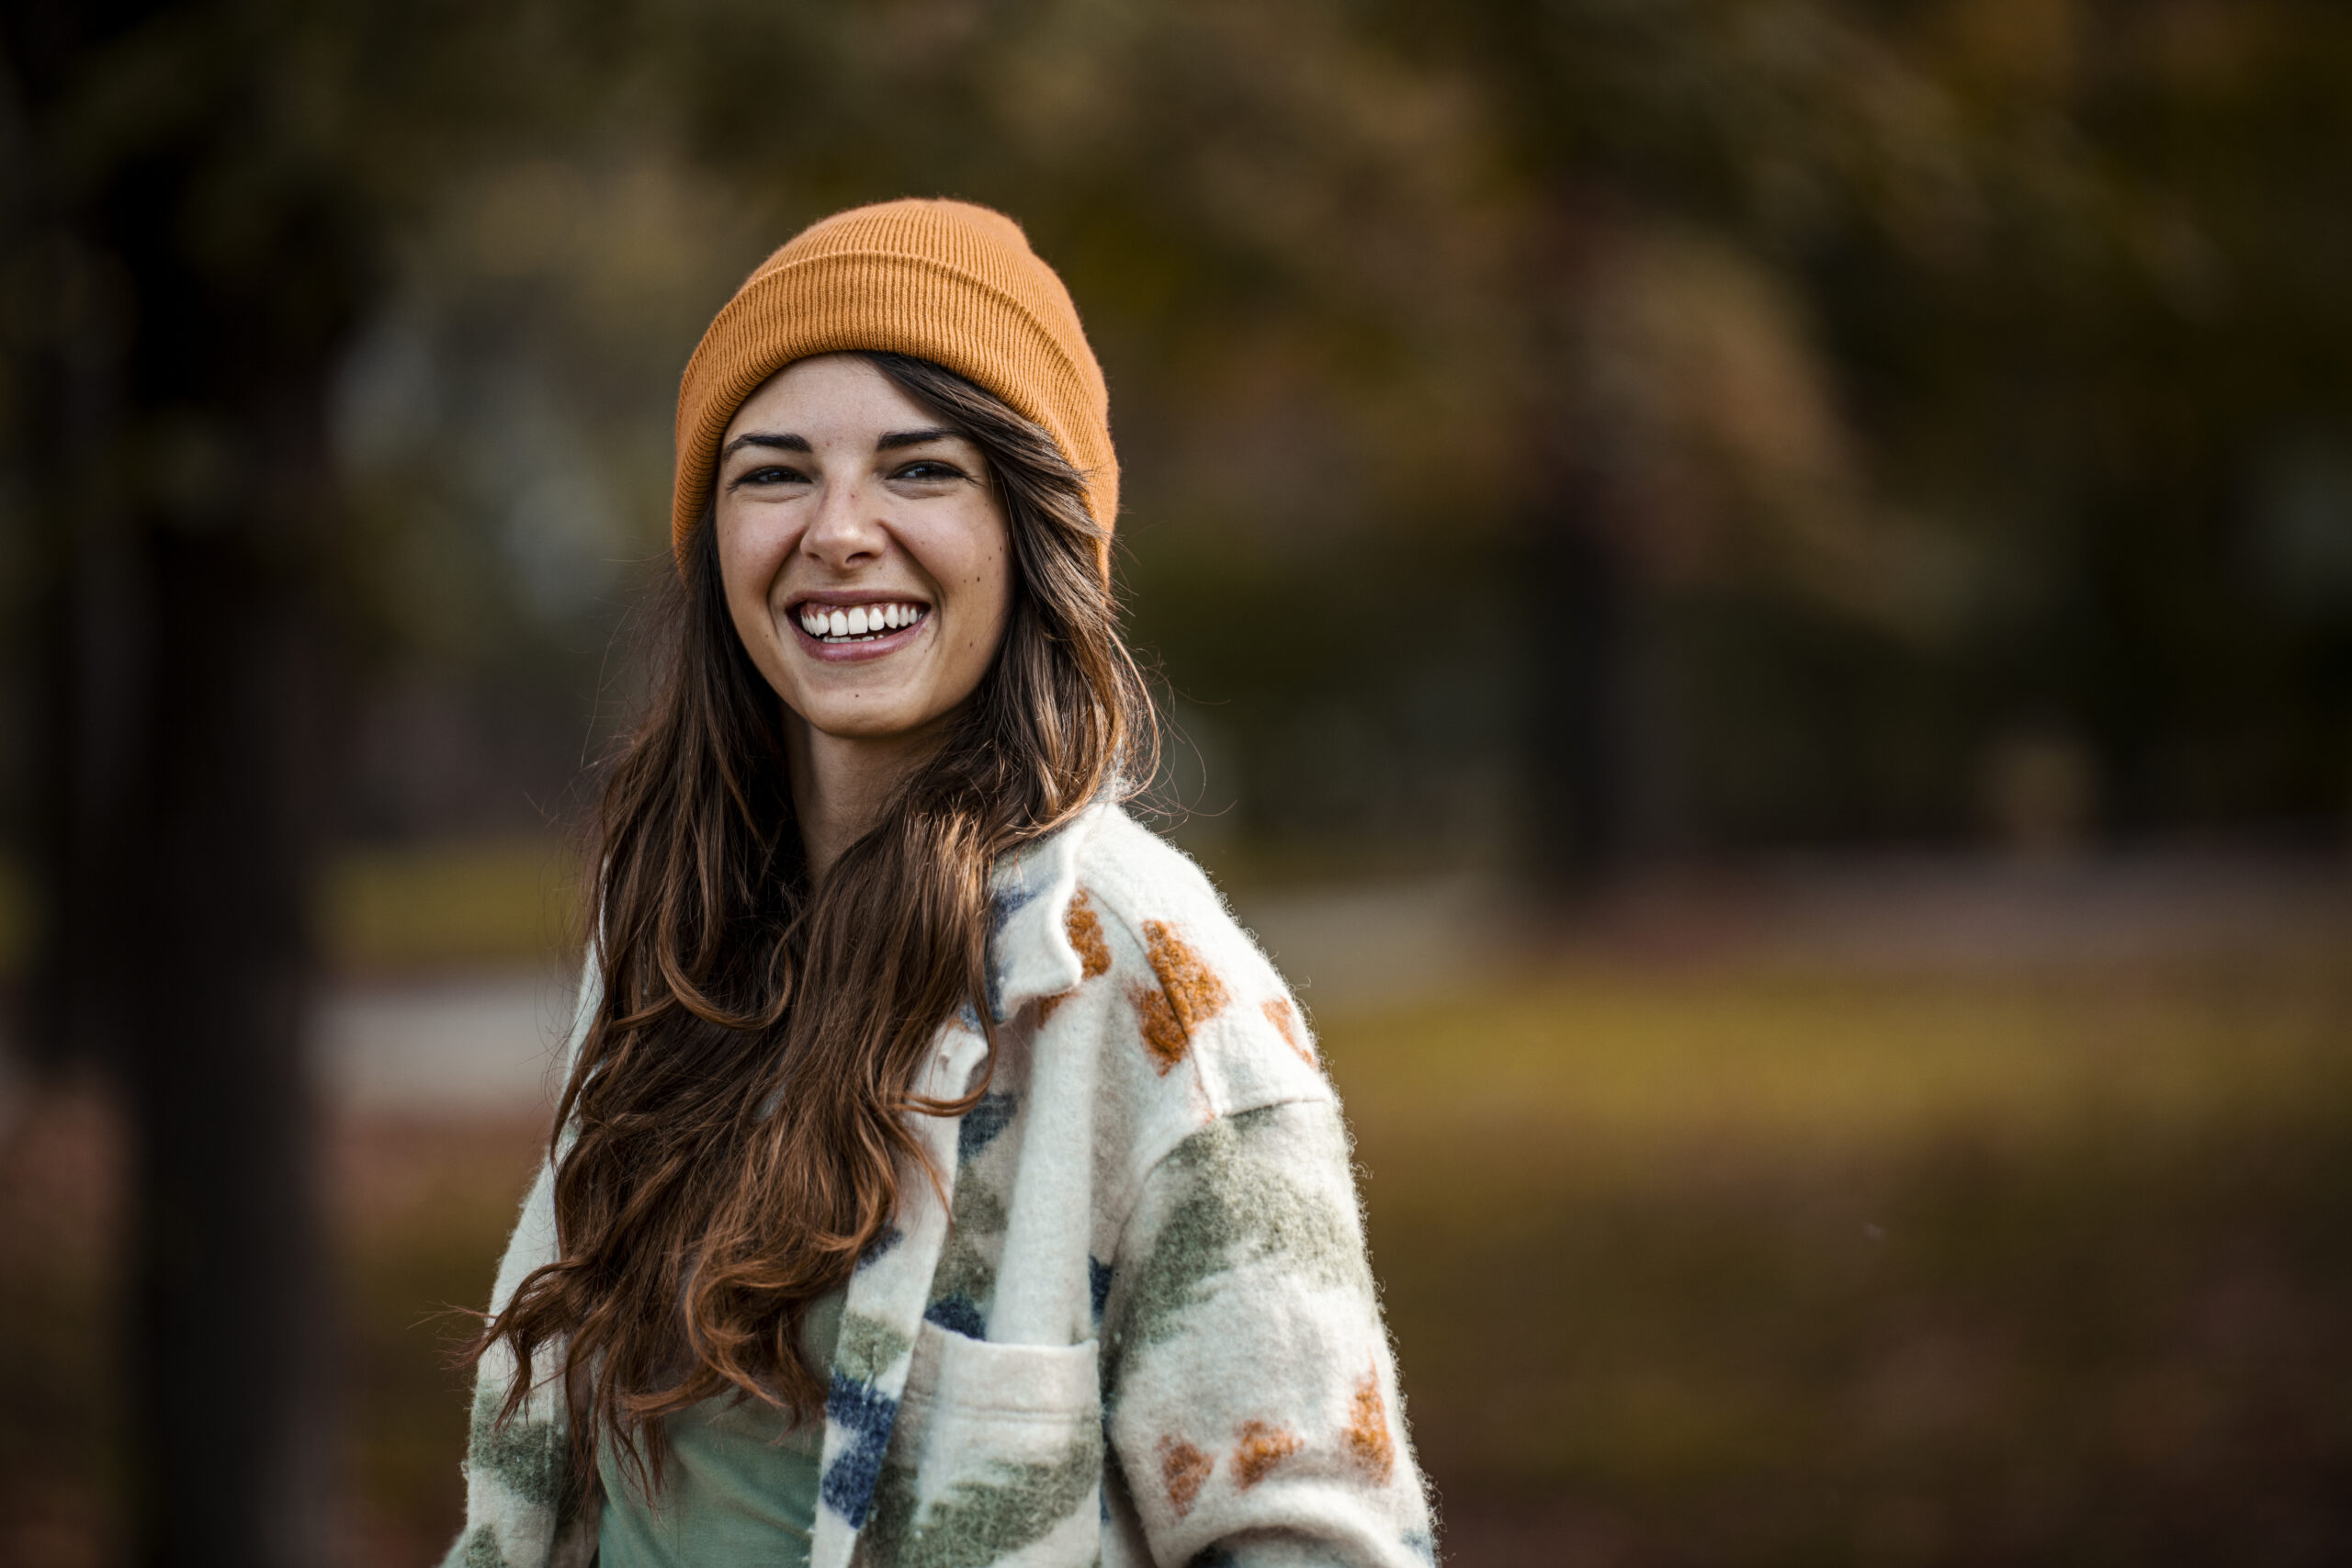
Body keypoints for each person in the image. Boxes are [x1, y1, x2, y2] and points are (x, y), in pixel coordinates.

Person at [444, 198, 1434, 1568]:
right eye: (774, 474)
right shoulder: (670, 936)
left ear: (1030, 528)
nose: (840, 531)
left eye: (920, 471)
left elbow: (1315, 1540)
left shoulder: (1143, 976)